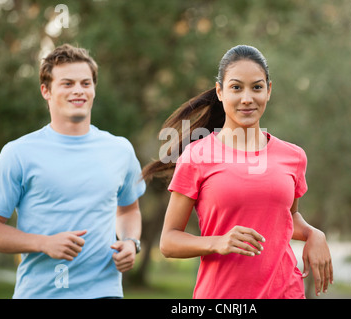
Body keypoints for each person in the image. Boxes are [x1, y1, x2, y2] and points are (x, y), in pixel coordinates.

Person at [142, 45, 333, 299]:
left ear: (269, 90)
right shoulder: (197, 156)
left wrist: (313, 233)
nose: (247, 98)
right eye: (236, 87)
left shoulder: (293, 157)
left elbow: (286, 218)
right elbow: (168, 242)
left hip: (285, 292)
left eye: (256, 87)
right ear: (220, 92)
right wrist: (217, 242)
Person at [0, 44, 146, 299]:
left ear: (94, 89)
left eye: (86, 83)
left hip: (106, 293)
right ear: (46, 91)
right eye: (67, 83)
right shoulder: (18, 153)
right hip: (42, 294)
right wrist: (43, 243)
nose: (78, 91)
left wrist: (130, 242)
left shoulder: (120, 150)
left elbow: (129, 209)